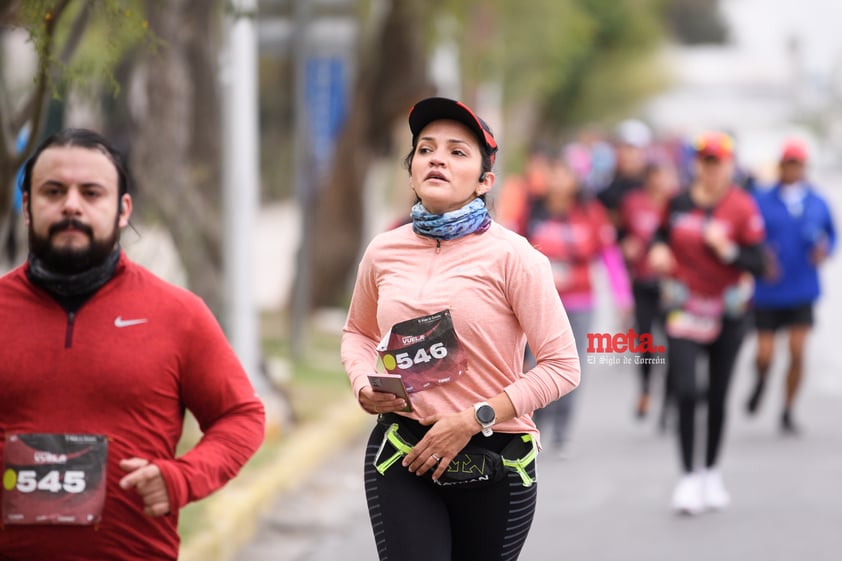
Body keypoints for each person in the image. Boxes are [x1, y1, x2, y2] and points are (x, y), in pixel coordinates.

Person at [0, 129, 265, 560]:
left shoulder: (178, 314)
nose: (71, 204)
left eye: (91, 193)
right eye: (53, 191)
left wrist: (182, 478)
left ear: (122, 209)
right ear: (27, 207)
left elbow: (241, 415)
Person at [341, 97, 580, 561]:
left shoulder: (516, 258)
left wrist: (474, 419)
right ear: (411, 170)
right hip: (403, 451)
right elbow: (357, 333)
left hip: (496, 457)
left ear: (484, 181)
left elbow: (562, 366)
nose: (437, 159)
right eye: (426, 149)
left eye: (457, 152)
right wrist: (361, 385)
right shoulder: (384, 251)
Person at [648, 132, 765, 515]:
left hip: (728, 313)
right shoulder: (678, 201)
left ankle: (710, 471)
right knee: (685, 388)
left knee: (717, 393)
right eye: (704, 160)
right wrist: (661, 249)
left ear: (730, 165)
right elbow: (661, 234)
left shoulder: (742, 207)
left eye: (717, 161)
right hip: (684, 309)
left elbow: (759, 263)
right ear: (696, 163)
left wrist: (727, 249)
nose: (710, 168)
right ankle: (687, 477)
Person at [521, 156, 632, 452]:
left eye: (563, 174)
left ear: (575, 180)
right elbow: (512, 251)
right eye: (552, 174)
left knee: (570, 364)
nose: (557, 180)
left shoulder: (591, 213)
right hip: (537, 300)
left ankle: (562, 429)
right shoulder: (532, 211)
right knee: (535, 364)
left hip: (579, 300)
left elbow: (609, 256)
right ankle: (537, 421)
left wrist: (623, 297)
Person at [746, 139, 836, 433]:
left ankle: (787, 408)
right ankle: (760, 379)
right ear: (781, 166)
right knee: (765, 354)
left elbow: (830, 236)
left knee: (797, 352)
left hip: (802, 288)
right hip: (769, 290)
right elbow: (749, 235)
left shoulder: (817, 202)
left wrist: (825, 250)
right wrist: (761, 258)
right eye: (788, 164)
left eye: (797, 164)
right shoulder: (761, 199)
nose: (792, 169)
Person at [617, 158, 678, 422]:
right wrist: (626, 247)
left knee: (675, 344)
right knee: (645, 343)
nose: (660, 181)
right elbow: (619, 238)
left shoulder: (680, 204)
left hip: (673, 286)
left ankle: (669, 402)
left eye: (665, 175)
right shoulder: (633, 203)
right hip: (643, 282)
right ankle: (645, 389)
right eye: (655, 174)